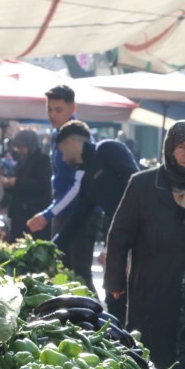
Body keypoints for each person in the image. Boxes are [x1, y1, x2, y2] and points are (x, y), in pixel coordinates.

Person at [104, 120, 185, 369]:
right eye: (182, 147)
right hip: (153, 293)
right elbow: (119, 237)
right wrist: (115, 283)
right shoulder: (143, 184)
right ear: (169, 149)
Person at [53, 121, 138, 301]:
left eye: (61, 151)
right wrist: (50, 248)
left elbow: (135, 185)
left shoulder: (108, 149)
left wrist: (121, 240)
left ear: (71, 142)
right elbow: (77, 219)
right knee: (114, 296)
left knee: (132, 294)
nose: (62, 157)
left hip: (138, 235)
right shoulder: (88, 180)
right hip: (118, 240)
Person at [27, 85, 86, 275]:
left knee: (78, 273)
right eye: (49, 109)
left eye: (58, 110)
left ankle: (93, 306)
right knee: (58, 270)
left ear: (72, 109)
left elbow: (77, 186)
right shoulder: (55, 135)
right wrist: (51, 213)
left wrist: (48, 214)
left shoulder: (79, 136)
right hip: (61, 210)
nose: (52, 115)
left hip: (80, 214)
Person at [0, 129, 51, 243]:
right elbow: (17, 188)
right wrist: (8, 185)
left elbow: (42, 184)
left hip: (33, 213)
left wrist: (16, 182)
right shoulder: (22, 161)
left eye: (22, 147)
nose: (19, 150)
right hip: (19, 213)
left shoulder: (42, 160)